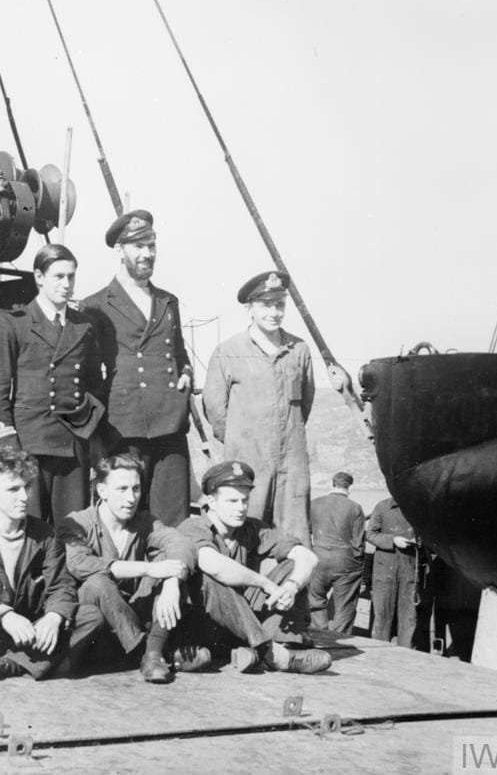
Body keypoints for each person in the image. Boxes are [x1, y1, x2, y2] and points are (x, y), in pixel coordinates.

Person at [0, 446, 105, 681]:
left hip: (32, 629)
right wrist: (4, 616)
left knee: (91, 616)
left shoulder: (45, 534)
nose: (24, 497)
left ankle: (9, 665)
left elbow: (61, 587)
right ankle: (36, 662)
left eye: (27, 487)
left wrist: (54, 617)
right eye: (13, 489)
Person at [80, 210, 193, 526]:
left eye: (151, 245)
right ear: (119, 250)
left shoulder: (167, 301)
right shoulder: (95, 305)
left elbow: (180, 352)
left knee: (173, 518)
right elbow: (89, 373)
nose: (147, 254)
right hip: (123, 425)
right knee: (125, 516)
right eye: (137, 246)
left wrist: (185, 373)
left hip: (169, 423)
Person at [176, 460, 332, 674]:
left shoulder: (251, 528)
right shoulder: (192, 527)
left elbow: (307, 557)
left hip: (242, 623)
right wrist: (267, 584)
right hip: (202, 624)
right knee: (211, 577)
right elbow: (213, 565)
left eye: (244, 501)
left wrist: (291, 587)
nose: (240, 508)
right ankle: (271, 653)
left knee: (293, 565)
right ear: (212, 502)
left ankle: (271, 646)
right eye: (232, 501)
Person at [0, 244, 105, 524]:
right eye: (58, 277)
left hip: (73, 442)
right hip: (30, 441)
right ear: (39, 277)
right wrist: (7, 442)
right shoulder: (14, 324)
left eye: (71, 277)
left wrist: (87, 427)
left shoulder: (83, 326)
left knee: (72, 528)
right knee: (28, 526)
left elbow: (94, 384)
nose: (66, 285)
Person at [58, 453, 200, 683]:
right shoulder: (78, 522)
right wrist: (146, 569)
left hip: (132, 613)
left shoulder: (144, 521)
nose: (131, 498)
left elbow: (181, 542)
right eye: (122, 489)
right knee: (98, 582)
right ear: (102, 491)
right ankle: (152, 652)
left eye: (135, 489)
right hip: (95, 622)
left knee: (165, 560)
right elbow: (80, 564)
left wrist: (172, 582)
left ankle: (152, 653)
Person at [202, 270, 314, 541]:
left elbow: (305, 404)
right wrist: (242, 441)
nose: (274, 312)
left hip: (292, 462)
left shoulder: (299, 350)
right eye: (266, 305)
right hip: (247, 461)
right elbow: (215, 409)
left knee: (294, 538)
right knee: (244, 533)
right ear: (249, 308)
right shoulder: (228, 351)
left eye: (280, 305)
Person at [308, 471, 365, 634]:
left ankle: (319, 635)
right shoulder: (355, 507)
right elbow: (358, 542)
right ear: (350, 488)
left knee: (315, 600)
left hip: (318, 559)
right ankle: (339, 639)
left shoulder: (314, 503)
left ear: (331, 485)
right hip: (345, 562)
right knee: (345, 606)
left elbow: (307, 530)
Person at [366, 497, 418, 647]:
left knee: (408, 614)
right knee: (382, 612)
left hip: (410, 567)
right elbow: (370, 534)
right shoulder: (382, 506)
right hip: (384, 568)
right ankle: (378, 649)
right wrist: (393, 540)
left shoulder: (417, 507)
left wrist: (418, 541)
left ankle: (405, 651)